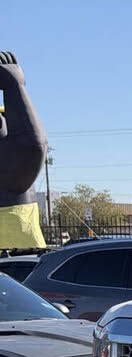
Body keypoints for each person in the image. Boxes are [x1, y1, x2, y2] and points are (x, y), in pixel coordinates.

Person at [0, 51, 47, 249]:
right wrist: (14, 86)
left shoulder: (8, 161)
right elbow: (31, 145)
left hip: (16, 256)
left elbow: (32, 145)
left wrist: (14, 87)